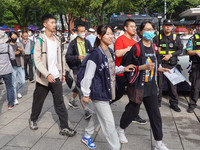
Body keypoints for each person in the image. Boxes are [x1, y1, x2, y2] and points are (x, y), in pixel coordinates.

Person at [81, 24, 135, 150]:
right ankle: (115, 147)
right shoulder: (95, 54)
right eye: (107, 34)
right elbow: (88, 76)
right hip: (98, 93)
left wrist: (123, 68)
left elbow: (111, 69)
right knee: (109, 124)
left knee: (98, 115)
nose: (111, 36)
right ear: (99, 36)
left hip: (107, 91)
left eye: (112, 33)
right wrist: (86, 94)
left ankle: (87, 136)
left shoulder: (109, 51)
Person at [118, 21, 170, 150]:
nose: (149, 32)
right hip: (138, 87)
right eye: (146, 29)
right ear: (141, 32)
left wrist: (160, 69)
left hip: (151, 87)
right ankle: (120, 129)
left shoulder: (154, 47)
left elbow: (155, 65)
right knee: (132, 111)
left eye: (151, 29)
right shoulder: (136, 48)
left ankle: (158, 142)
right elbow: (128, 68)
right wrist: (143, 67)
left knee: (155, 115)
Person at [29, 14, 76, 137]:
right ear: (45, 24)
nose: (54, 25)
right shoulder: (40, 40)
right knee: (38, 101)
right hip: (43, 78)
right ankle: (33, 119)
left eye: (55, 23)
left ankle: (64, 127)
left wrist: (62, 73)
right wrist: (47, 73)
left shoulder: (57, 39)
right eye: (52, 22)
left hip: (56, 77)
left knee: (59, 102)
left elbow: (60, 58)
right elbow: (36, 60)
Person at [114, 19, 146, 125]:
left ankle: (134, 115)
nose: (134, 28)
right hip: (121, 73)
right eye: (131, 26)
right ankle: (101, 107)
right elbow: (117, 54)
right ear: (125, 28)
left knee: (135, 96)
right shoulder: (120, 39)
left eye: (135, 27)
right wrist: (128, 49)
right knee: (117, 95)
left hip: (132, 74)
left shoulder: (134, 41)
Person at [153, 19, 183, 111]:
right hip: (160, 65)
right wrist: (157, 52)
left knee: (172, 86)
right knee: (159, 85)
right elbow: (152, 50)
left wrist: (170, 55)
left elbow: (180, 50)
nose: (168, 27)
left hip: (171, 65)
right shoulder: (157, 38)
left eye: (170, 25)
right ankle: (157, 102)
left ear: (172, 26)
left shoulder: (176, 37)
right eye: (166, 25)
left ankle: (174, 104)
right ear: (163, 26)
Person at [65, 24, 93, 119]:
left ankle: (72, 100)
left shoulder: (87, 42)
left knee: (79, 85)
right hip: (77, 69)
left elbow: (92, 53)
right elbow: (67, 56)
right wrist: (77, 57)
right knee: (81, 88)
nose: (83, 33)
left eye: (84, 31)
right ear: (77, 32)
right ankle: (86, 110)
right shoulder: (73, 43)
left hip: (86, 68)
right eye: (80, 31)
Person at [186, 20, 200, 113]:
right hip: (197, 65)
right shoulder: (192, 38)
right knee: (195, 86)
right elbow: (187, 51)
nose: (199, 28)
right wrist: (195, 52)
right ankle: (192, 105)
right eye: (198, 26)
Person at [0, 30, 15, 110]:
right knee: (9, 86)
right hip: (7, 70)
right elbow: (12, 57)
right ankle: (10, 104)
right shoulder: (8, 46)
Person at [9, 32, 25, 105]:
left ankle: (17, 91)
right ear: (10, 37)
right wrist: (13, 54)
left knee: (22, 81)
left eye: (16, 37)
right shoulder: (8, 46)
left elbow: (24, 53)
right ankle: (15, 98)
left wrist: (21, 51)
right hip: (12, 66)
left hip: (20, 64)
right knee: (14, 83)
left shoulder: (19, 44)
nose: (14, 38)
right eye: (13, 37)